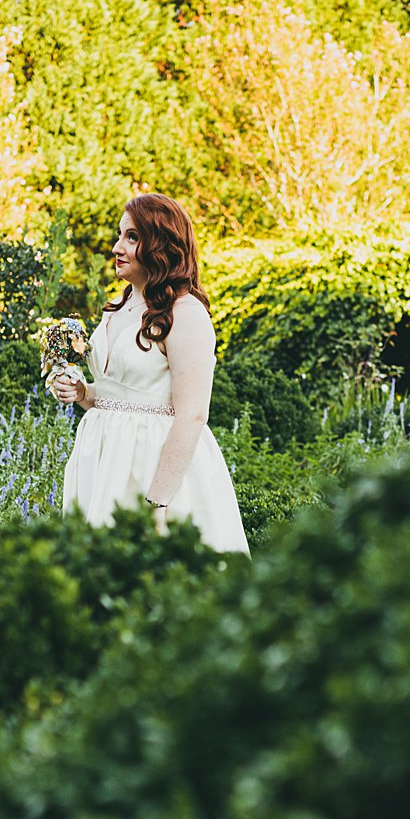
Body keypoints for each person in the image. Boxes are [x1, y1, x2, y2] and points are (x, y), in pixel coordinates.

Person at [48, 194, 249, 555]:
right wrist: (82, 393)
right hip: (101, 458)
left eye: (132, 237)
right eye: (120, 235)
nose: (116, 247)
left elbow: (192, 414)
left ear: (160, 246)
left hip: (149, 467)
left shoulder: (185, 314)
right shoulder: (120, 306)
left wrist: (157, 503)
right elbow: (120, 397)